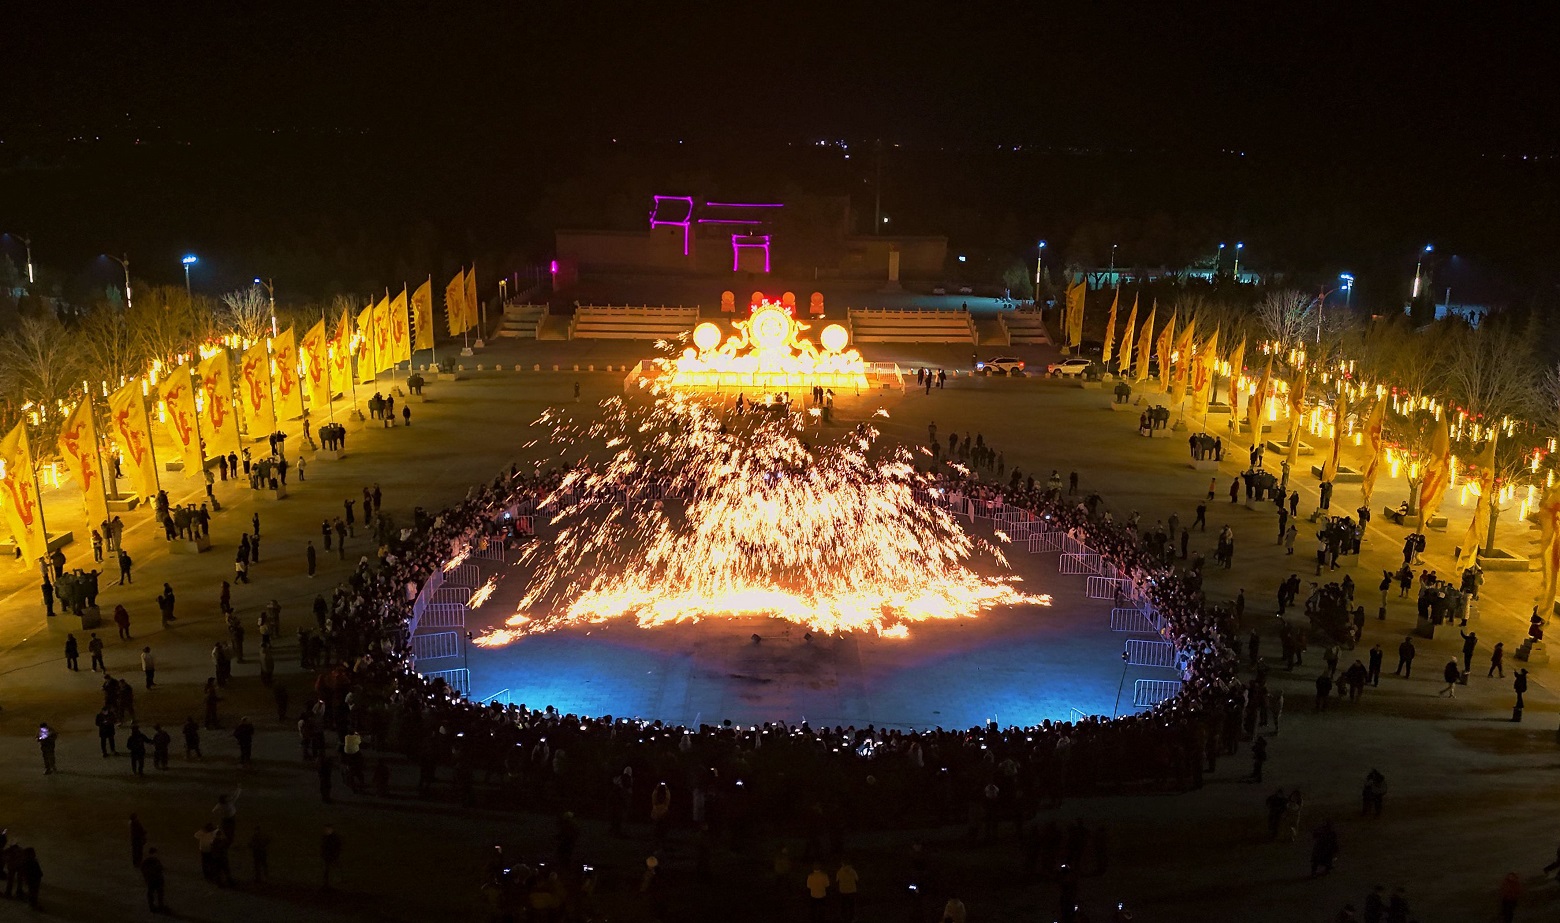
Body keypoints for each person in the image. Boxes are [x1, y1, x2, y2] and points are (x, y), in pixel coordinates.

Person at [141, 847, 166, 913]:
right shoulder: (151, 861)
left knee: (155, 893)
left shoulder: (150, 861)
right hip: (154, 879)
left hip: (154, 880)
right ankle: (155, 906)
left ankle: (156, 906)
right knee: (154, 893)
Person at [320, 825, 342, 890]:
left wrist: (334, 855)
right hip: (328, 856)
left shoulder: (333, 838)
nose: (326, 831)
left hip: (331, 856)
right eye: (325, 830)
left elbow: (336, 847)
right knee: (327, 870)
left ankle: (332, 884)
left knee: (331, 870)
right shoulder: (326, 837)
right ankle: (327, 884)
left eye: (327, 829)